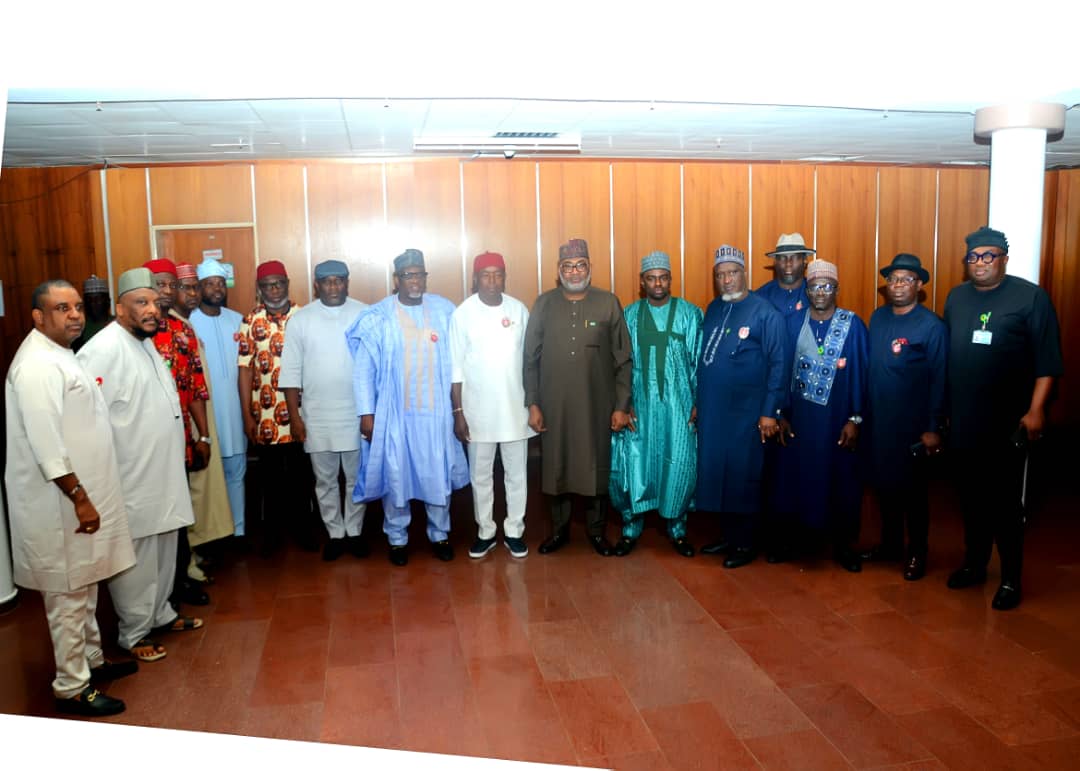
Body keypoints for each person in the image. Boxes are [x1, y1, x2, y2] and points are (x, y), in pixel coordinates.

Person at [5, 280, 137, 717]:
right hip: (59, 502)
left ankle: (92, 661)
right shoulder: (37, 366)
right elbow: (47, 445)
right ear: (38, 317)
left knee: (86, 583)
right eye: (62, 309)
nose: (75, 315)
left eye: (77, 306)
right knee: (67, 596)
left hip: (80, 496)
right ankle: (72, 686)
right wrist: (80, 497)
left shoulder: (62, 353)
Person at [78, 268, 203, 664]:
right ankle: (134, 632)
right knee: (137, 557)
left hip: (162, 471)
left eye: (153, 302)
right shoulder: (102, 349)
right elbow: (85, 419)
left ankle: (161, 613)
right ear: (120, 308)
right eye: (141, 303)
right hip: (131, 477)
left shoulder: (144, 343)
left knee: (164, 547)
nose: (153, 309)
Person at [943, 226, 1063, 610]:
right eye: (973, 257)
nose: (980, 263)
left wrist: (1036, 410)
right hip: (964, 422)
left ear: (1004, 259)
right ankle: (975, 565)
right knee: (970, 500)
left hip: (1008, 425)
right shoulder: (956, 298)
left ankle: (1011, 578)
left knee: (1006, 505)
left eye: (988, 256)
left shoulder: (1031, 298)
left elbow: (1048, 362)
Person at [346, 249, 468, 566]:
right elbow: (363, 370)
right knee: (396, 474)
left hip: (436, 414)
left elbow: (459, 362)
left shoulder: (444, 310)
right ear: (396, 279)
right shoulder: (378, 316)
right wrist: (367, 414)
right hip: (395, 413)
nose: (415, 281)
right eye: (408, 275)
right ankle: (397, 539)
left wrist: (458, 409)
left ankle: (439, 535)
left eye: (420, 274)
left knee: (437, 472)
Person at [523, 238, 632, 557]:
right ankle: (559, 531)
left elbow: (623, 359)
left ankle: (597, 532)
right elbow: (530, 359)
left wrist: (621, 406)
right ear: (559, 271)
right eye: (567, 266)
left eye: (580, 265)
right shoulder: (544, 304)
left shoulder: (608, 302)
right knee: (556, 466)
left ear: (589, 268)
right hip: (554, 406)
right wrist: (533, 403)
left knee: (595, 468)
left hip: (596, 405)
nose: (574, 272)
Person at [771, 259, 868, 572]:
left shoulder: (853, 325)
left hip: (837, 421)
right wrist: (781, 413)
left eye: (827, 286)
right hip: (800, 421)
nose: (821, 292)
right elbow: (780, 370)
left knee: (842, 481)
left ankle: (843, 546)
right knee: (796, 480)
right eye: (814, 287)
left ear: (836, 289)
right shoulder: (792, 323)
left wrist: (855, 419)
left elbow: (862, 374)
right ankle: (796, 543)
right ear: (807, 290)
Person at [695, 246, 787, 568]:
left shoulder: (765, 313)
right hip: (714, 412)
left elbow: (779, 365)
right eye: (720, 275)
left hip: (747, 413)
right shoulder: (714, 308)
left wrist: (769, 412)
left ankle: (746, 544)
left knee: (743, 475)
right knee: (719, 473)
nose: (726, 280)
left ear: (744, 273)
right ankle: (728, 536)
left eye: (732, 273)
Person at [608, 250, 702, 558]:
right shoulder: (630, 316)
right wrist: (624, 403)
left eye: (663, 278)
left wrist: (698, 402)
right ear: (642, 282)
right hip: (640, 407)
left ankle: (678, 530)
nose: (657, 284)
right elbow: (619, 364)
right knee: (636, 464)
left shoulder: (689, 314)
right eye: (651, 278)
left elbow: (698, 362)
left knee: (679, 464)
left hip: (678, 406)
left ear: (670, 279)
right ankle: (630, 529)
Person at [863, 253, 946, 581]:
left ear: (919, 285)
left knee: (913, 494)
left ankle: (917, 552)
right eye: (892, 279)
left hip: (913, 428)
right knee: (885, 488)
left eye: (906, 279)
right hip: (879, 423)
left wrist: (933, 427)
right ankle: (890, 545)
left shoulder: (931, 326)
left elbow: (940, 378)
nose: (897, 285)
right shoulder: (878, 317)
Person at [280, 259, 369, 561]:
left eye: (339, 280)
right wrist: (295, 418)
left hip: (356, 413)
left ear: (347, 283)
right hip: (317, 415)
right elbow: (291, 373)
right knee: (326, 480)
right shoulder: (301, 320)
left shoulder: (363, 314)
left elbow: (374, 366)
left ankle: (354, 532)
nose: (333, 286)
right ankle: (335, 534)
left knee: (357, 478)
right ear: (316, 285)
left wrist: (371, 413)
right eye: (327, 281)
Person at [449, 252, 535, 559]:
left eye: (498, 274)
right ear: (475, 279)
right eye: (485, 275)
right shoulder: (463, 314)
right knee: (481, 476)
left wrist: (534, 404)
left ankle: (514, 531)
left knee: (517, 474)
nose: (492, 280)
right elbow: (455, 369)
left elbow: (530, 362)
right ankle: (485, 532)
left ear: (505, 277)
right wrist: (458, 413)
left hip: (515, 409)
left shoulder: (518, 309)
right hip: (477, 412)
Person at [143, 258, 211, 609]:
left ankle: (181, 580)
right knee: (151, 518)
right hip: (142, 446)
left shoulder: (183, 331)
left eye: (172, 284)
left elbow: (196, 387)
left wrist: (204, 437)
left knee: (179, 512)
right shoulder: (132, 334)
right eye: (160, 284)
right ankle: (152, 591)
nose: (167, 291)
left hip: (180, 439)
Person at [237, 260, 318, 555]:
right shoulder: (250, 321)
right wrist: (246, 415)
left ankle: (305, 531)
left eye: (278, 284)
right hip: (266, 416)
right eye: (267, 285)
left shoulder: (304, 316)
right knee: (270, 480)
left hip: (303, 415)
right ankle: (272, 536)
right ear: (259, 289)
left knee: (302, 477)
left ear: (287, 284)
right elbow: (244, 370)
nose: (274, 290)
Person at [174, 263, 234, 579]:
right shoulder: (169, 327)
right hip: (183, 425)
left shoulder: (184, 326)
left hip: (199, 422)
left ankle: (195, 553)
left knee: (201, 487)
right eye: (186, 288)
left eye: (194, 288)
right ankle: (186, 561)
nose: (193, 294)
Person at [189, 259, 247, 546]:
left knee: (236, 473)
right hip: (206, 413)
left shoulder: (238, 320)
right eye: (210, 284)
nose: (216, 289)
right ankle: (212, 535)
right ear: (200, 288)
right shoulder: (189, 323)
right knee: (209, 478)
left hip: (235, 411)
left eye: (221, 283)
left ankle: (238, 531)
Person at [755, 233, 814, 318]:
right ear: (775, 262)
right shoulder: (761, 297)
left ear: (804, 261)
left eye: (794, 257)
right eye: (782, 258)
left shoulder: (816, 295)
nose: (788, 263)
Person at [71, 274, 112, 352]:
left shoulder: (118, 324)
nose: (93, 304)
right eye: (89, 300)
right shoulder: (79, 327)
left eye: (98, 300)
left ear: (108, 301)